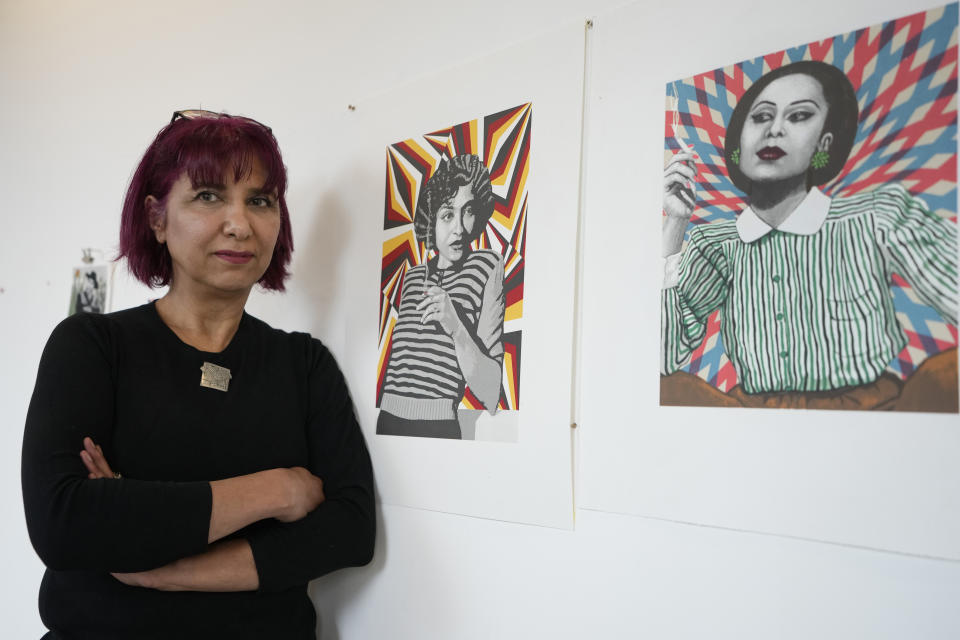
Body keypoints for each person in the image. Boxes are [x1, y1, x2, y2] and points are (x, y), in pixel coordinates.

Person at [21, 110, 375, 639]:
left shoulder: (304, 364)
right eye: (208, 196)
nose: (239, 223)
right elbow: (65, 522)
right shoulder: (92, 346)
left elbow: (349, 529)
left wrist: (168, 569)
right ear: (157, 219)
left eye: (260, 200)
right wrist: (276, 490)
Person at [661, 61, 958, 411]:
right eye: (760, 117)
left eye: (798, 116)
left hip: (872, 413)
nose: (774, 130)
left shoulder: (877, 217)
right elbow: (659, 357)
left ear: (824, 143)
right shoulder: (716, 245)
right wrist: (675, 224)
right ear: (739, 144)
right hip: (751, 422)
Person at [376, 154, 506, 438]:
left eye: (468, 211)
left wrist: (457, 328)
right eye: (448, 214)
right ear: (430, 222)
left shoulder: (488, 266)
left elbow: (491, 393)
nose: (459, 228)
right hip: (386, 422)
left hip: (437, 426)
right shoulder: (411, 277)